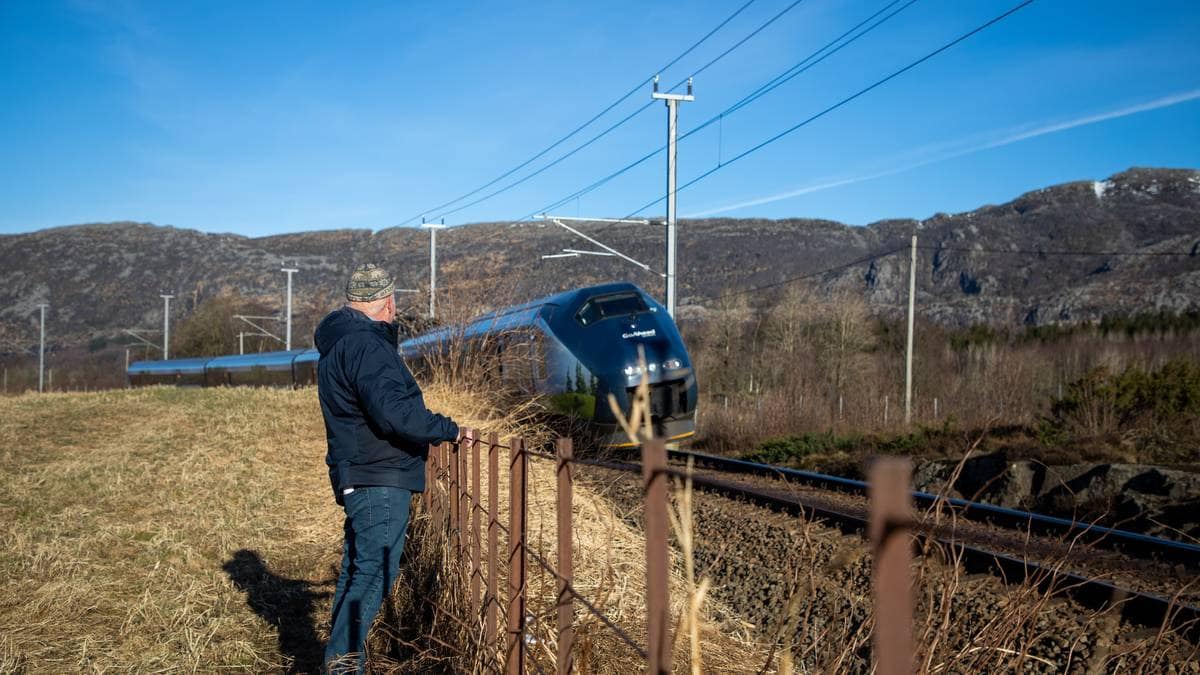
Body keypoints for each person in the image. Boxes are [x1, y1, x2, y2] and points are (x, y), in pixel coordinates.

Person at [314, 263, 459, 672]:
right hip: (378, 476)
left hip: (359, 472)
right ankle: (340, 666)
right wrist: (448, 429)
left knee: (357, 571)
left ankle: (344, 661)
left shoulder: (339, 343)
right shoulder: (366, 345)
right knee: (373, 574)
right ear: (389, 304)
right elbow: (395, 414)